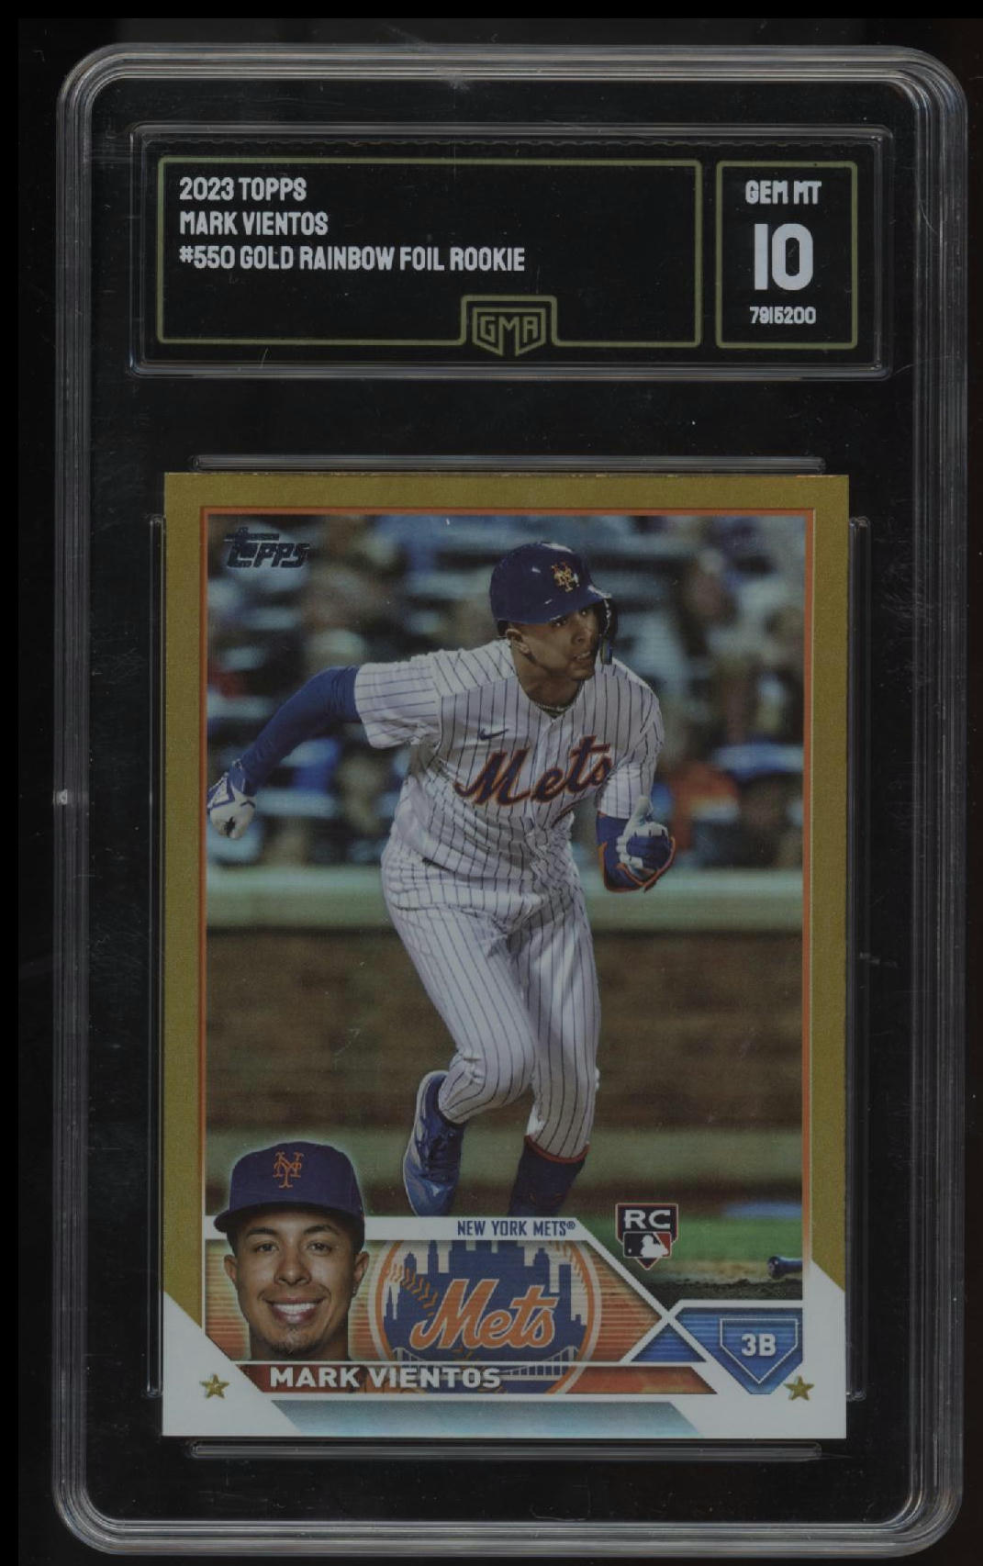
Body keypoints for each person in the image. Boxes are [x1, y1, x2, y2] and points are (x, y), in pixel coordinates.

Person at [208, 543, 676, 1219]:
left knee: (574, 1093)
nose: (582, 631)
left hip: (545, 889)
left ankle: (524, 1245)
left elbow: (614, 863)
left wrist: (638, 859)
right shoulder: (455, 684)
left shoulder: (628, 704)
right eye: (559, 619)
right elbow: (328, 691)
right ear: (515, 635)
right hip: (440, 881)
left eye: (586, 611)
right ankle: (442, 1107)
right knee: (500, 1065)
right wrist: (244, 775)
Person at [214, 1141, 369, 1362]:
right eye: (266, 1247)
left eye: (318, 1246)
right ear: (234, 1272)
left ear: (357, 1271)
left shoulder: (401, 1388)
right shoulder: (196, 1387)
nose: (291, 1272)